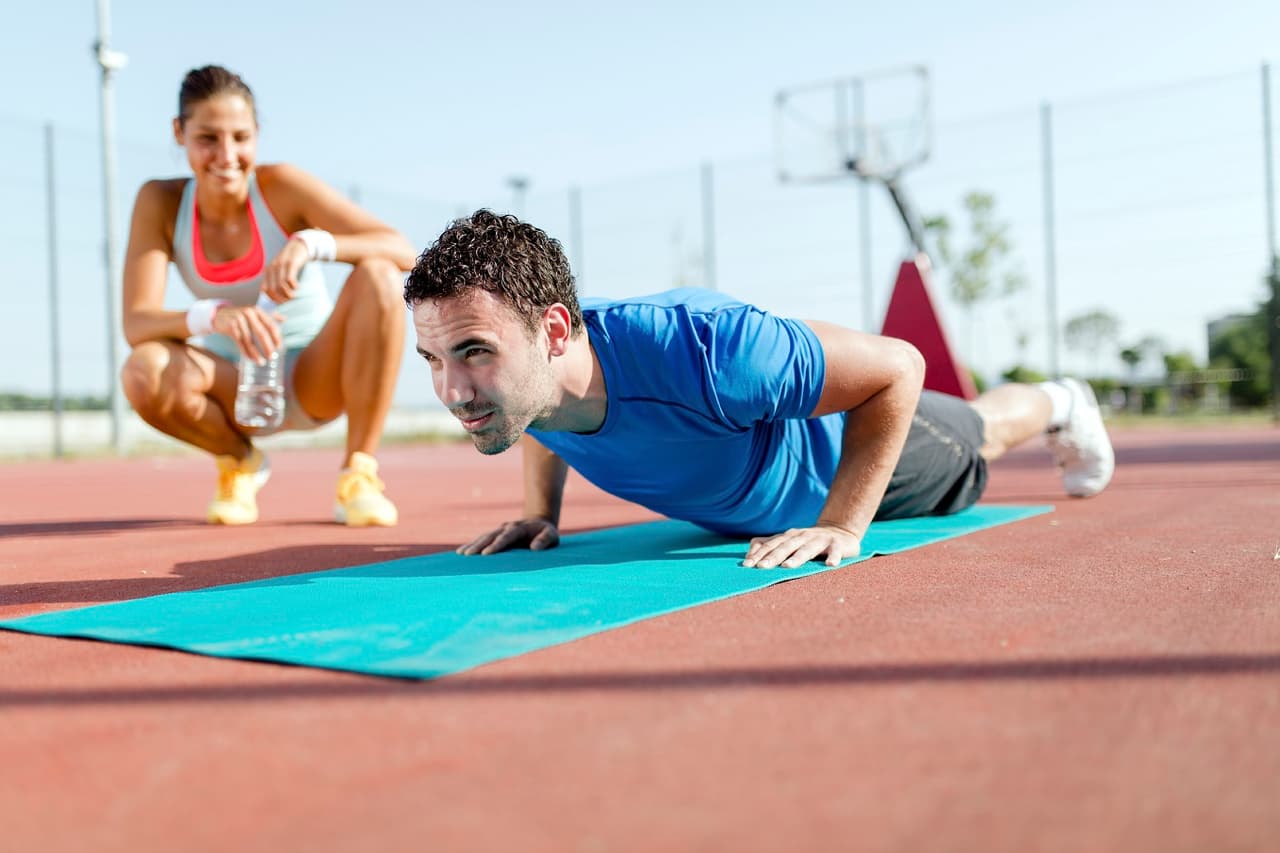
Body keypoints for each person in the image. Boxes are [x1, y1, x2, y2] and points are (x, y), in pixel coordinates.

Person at [403, 210, 1115, 568]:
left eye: (474, 353)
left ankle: (1062, 400)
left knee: (980, 435)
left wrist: (843, 525)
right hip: (753, 508)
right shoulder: (529, 379)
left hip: (854, 456)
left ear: (554, 332)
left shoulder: (712, 350)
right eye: (432, 359)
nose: (453, 391)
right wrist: (539, 511)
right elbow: (543, 412)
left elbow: (900, 366)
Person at [120, 65, 414, 526]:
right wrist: (212, 315)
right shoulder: (161, 202)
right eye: (208, 138)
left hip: (316, 379)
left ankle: (358, 474)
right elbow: (137, 322)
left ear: (257, 134)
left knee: (379, 275)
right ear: (179, 133)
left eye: (241, 137)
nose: (227, 155)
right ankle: (240, 462)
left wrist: (311, 243)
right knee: (143, 370)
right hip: (236, 387)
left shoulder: (282, 187)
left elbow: (402, 250)